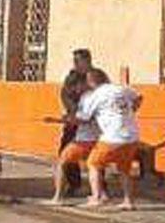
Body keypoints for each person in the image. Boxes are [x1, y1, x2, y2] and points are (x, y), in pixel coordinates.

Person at [75, 68, 143, 210]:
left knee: (93, 163)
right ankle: (128, 201)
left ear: (91, 82)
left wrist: (69, 118)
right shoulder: (121, 89)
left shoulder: (96, 95)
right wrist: (132, 110)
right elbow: (138, 97)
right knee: (124, 169)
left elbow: (84, 117)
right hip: (132, 136)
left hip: (112, 136)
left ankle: (96, 197)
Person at [47, 77, 101, 205]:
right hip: (97, 138)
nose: (74, 90)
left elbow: (82, 119)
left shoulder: (86, 98)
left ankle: (57, 197)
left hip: (84, 139)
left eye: (75, 86)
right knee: (94, 165)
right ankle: (99, 194)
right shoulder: (98, 97)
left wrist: (57, 120)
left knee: (60, 163)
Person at [58, 49, 94, 195]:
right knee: (65, 151)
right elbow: (65, 94)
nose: (75, 64)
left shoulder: (96, 76)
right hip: (73, 120)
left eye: (78, 60)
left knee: (96, 153)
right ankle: (74, 183)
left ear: (87, 61)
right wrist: (72, 111)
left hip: (92, 122)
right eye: (74, 61)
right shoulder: (71, 77)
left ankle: (100, 186)